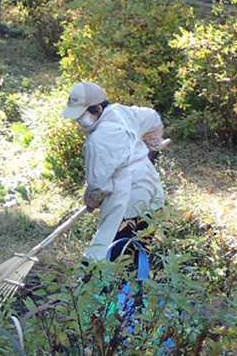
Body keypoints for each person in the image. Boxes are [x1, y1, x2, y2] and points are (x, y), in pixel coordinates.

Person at [60, 81, 166, 262]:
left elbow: (99, 187)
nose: (79, 122)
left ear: (98, 109)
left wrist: (91, 201)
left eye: (82, 115)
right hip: (152, 189)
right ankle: (137, 285)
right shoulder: (122, 111)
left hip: (127, 198)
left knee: (107, 252)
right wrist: (151, 148)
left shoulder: (96, 141)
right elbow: (153, 118)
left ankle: (95, 286)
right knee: (141, 248)